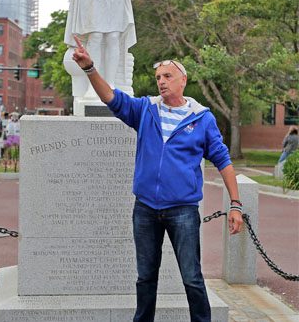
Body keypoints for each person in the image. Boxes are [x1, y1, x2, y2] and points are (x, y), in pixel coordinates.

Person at [71, 36, 242, 322]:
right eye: (158, 77)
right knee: (146, 278)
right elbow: (110, 97)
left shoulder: (202, 118)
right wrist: (90, 69)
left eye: (167, 76)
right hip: (146, 208)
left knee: (192, 278)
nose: (161, 81)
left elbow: (223, 161)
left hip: (183, 211)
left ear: (182, 80)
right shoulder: (145, 110)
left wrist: (235, 203)